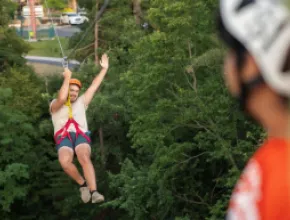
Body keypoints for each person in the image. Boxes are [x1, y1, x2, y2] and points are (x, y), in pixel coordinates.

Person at [217, 0, 290, 219]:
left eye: (230, 53)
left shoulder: (284, 183)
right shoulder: (273, 154)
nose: (225, 66)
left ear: (250, 65)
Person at [49, 54, 109, 204]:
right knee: (64, 161)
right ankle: (83, 184)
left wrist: (104, 69)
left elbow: (94, 86)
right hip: (64, 137)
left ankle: (94, 192)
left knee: (83, 156)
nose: (74, 93)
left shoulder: (82, 102)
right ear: (65, 89)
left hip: (80, 135)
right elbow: (62, 98)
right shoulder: (55, 105)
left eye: (76, 91)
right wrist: (67, 78)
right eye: (71, 90)